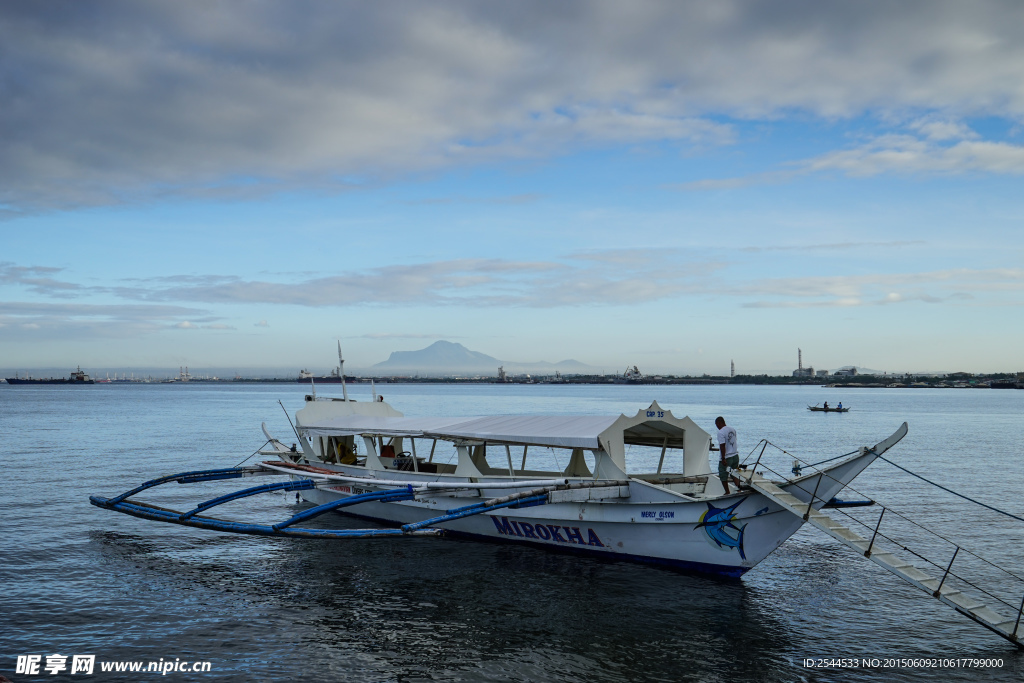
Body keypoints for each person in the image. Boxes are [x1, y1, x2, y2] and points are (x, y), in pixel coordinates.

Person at [715, 416, 739, 494]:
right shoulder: (732, 429)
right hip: (735, 455)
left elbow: (722, 445)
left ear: (719, 423)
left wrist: (723, 458)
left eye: (716, 425)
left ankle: (727, 492)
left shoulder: (721, 432)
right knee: (734, 473)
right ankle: (739, 489)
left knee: (723, 474)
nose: (717, 427)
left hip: (727, 457)